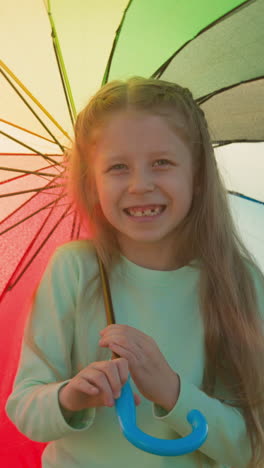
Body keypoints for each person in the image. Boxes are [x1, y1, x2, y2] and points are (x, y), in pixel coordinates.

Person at [5, 76, 264, 468]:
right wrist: (71, 396)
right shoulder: (75, 269)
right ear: (93, 184)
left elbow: (251, 446)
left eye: (161, 163)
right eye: (118, 167)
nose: (140, 185)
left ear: (197, 175)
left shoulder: (235, 283)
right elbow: (25, 405)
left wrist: (173, 391)